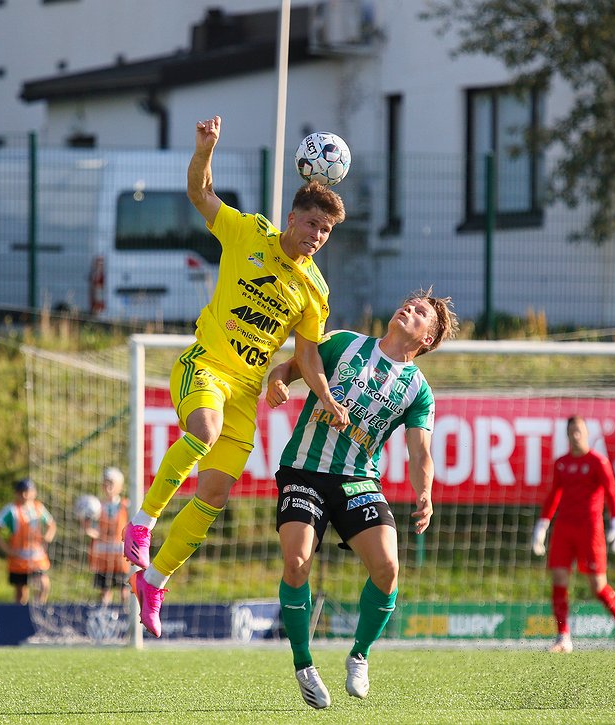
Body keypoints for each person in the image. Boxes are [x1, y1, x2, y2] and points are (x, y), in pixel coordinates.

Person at [124, 115, 350, 638]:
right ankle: (142, 521)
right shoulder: (249, 231)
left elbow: (309, 355)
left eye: (327, 231)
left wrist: (320, 396)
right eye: (313, 224)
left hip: (246, 391)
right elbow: (199, 192)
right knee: (201, 431)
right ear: (292, 218)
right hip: (205, 365)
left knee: (217, 493)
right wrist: (205, 148)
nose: (318, 237)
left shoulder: (314, 291)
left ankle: (155, 579)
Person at [265, 289, 457, 708]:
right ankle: (304, 664)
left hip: (357, 480)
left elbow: (420, 451)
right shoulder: (343, 343)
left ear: (428, 338)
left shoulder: (418, 391)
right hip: (305, 471)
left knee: (388, 568)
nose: (409, 308)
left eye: (421, 312)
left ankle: (359, 654)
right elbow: (290, 366)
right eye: (408, 303)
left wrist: (424, 492)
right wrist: (276, 380)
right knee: (296, 563)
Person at [530, 415, 615, 653]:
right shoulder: (561, 463)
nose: (576, 435)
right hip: (564, 529)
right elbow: (554, 495)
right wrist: (542, 527)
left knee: (597, 585)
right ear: (567, 434)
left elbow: (611, 493)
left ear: (586, 433)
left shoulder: (597, 462)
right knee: (559, 579)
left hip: (590, 529)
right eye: (572, 431)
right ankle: (563, 637)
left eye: (579, 431)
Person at [0, 477, 57, 605]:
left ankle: (38, 609)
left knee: (44, 585)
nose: (26, 495)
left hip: (37, 558)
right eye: (22, 492)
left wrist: (47, 538)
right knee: (21, 593)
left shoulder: (38, 508)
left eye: (29, 491)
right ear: (17, 494)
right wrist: (6, 549)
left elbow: (51, 525)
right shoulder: (11, 510)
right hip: (19, 559)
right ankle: (21, 618)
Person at [80, 466, 131, 607]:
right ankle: (104, 617)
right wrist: (89, 530)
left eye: (111, 483)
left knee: (125, 591)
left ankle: (127, 618)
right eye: (105, 482)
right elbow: (90, 529)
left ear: (120, 486)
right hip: (102, 557)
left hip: (121, 558)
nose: (107, 486)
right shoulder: (96, 506)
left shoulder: (126, 505)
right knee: (105, 591)